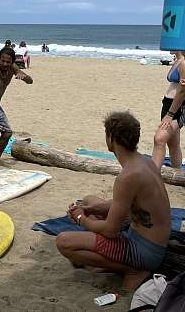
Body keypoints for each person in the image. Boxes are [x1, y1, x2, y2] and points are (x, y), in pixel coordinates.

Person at [56, 111, 171, 290]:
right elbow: (133, 202)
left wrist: (81, 219)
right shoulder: (144, 162)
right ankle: (118, 261)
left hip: (144, 252)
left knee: (64, 242)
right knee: (89, 200)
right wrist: (95, 207)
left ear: (111, 138)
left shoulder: (128, 176)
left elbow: (110, 231)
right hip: (152, 239)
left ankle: (132, 269)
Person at [0, 47, 33, 164]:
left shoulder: (13, 68)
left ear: (12, 62)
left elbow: (31, 81)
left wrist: (24, 76)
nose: (5, 64)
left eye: (8, 62)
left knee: (7, 133)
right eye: (3, 61)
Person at [152, 50, 185, 169]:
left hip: (177, 107)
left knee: (159, 139)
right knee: (173, 143)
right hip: (167, 104)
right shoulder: (178, 60)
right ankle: (178, 174)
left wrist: (170, 114)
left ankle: (153, 176)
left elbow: (182, 91)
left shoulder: (184, 62)